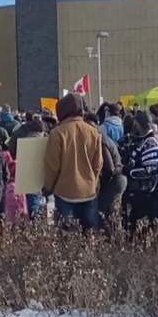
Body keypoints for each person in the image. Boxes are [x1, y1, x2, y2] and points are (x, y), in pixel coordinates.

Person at [42, 93, 103, 230]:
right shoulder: (94, 132)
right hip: (89, 191)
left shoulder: (57, 133)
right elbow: (98, 164)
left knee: (67, 237)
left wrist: (48, 187)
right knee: (89, 236)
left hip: (65, 192)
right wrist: (94, 181)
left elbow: (53, 166)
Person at [120, 111, 158, 230]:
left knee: (142, 227)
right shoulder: (141, 141)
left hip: (146, 193)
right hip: (138, 192)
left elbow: (150, 170)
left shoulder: (150, 142)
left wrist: (127, 171)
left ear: (138, 124)